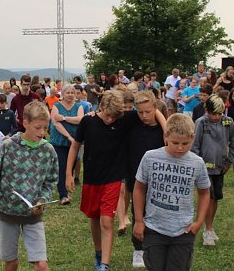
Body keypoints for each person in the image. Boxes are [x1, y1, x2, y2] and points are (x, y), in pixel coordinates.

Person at [65, 90, 163, 271]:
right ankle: (98, 253)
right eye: (108, 116)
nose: (111, 120)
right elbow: (75, 146)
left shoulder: (123, 119)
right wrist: (69, 174)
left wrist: (166, 130)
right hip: (92, 179)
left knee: (107, 221)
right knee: (94, 218)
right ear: (100, 107)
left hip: (113, 178)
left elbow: (152, 108)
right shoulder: (88, 121)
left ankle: (104, 264)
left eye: (114, 117)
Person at [0, 101, 58, 271]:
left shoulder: (48, 151)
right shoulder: (8, 147)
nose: (42, 132)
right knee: (11, 263)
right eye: (38, 128)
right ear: (25, 123)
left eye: (46, 128)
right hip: (8, 213)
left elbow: (50, 182)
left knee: (42, 265)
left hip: (33, 217)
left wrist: (42, 199)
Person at [132, 114, 211, 271]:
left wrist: (199, 221)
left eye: (185, 143)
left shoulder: (197, 163)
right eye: (175, 143)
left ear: (192, 138)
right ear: (165, 135)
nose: (180, 148)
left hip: (183, 231)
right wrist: (139, 221)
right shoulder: (150, 157)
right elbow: (139, 188)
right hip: (154, 228)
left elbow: (204, 192)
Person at [123, 91, 166, 268]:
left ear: (155, 108)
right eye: (140, 112)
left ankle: (157, 247)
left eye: (148, 111)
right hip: (136, 176)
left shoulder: (163, 131)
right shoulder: (132, 120)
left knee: (158, 213)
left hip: (159, 179)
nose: (144, 116)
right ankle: (138, 249)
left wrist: (164, 127)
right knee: (138, 212)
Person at [190, 95, 234, 246]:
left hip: (220, 168)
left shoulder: (227, 122)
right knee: (207, 197)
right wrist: (199, 165)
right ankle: (207, 230)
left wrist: (229, 161)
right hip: (204, 168)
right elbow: (195, 146)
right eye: (214, 114)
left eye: (220, 113)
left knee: (215, 197)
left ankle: (209, 227)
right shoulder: (201, 123)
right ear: (207, 111)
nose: (217, 117)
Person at [49, 84, 84, 205]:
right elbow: (55, 123)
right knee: (62, 167)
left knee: (72, 166)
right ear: (63, 94)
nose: (70, 95)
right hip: (60, 141)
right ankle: (63, 195)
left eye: (72, 93)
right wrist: (68, 136)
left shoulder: (79, 106)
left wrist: (64, 118)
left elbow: (80, 120)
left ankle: (67, 188)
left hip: (75, 142)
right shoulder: (56, 106)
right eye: (67, 93)